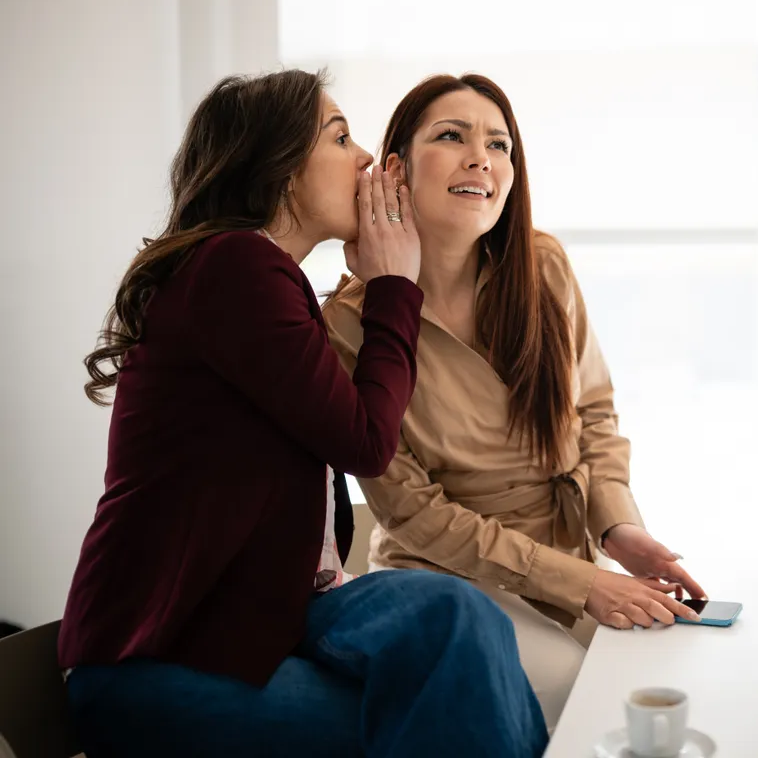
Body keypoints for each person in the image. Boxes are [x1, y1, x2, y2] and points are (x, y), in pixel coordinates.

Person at [58, 69, 548, 757]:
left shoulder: (265, 282)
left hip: (277, 613)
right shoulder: (234, 267)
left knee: (458, 614)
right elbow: (366, 440)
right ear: (281, 168)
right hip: (152, 663)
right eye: (341, 137)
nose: (366, 160)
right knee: (449, 717)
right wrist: (393, 288)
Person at [323, 73, 707, 731]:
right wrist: (585, 586)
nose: (482, 157)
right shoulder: (350, 326)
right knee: (590, 705)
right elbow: (415, 516)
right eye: (452, 136)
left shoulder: (543, 266)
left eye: (500, 145)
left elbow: (595, 412)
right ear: (396, 168)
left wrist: (619, 528)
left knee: (673, 680)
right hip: (453, 585)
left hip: (572, 560)